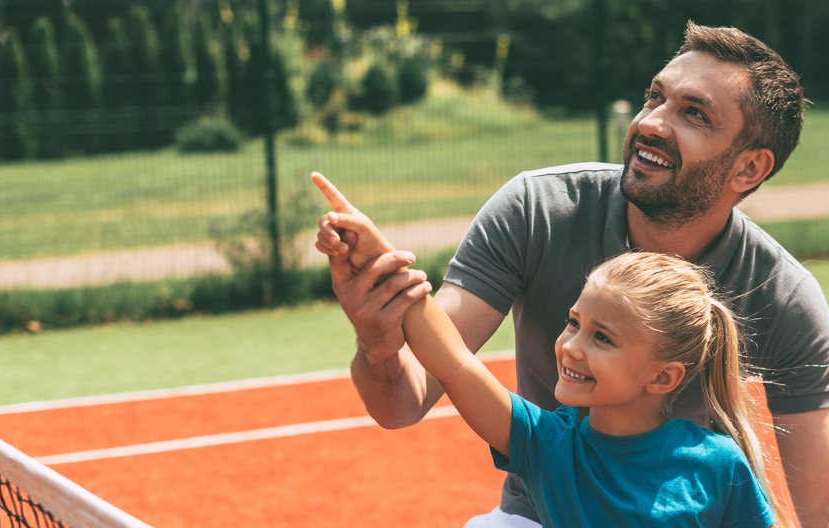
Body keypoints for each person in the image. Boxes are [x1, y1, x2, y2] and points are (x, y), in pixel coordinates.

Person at [316, 22, 829, 528]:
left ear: (748, 168)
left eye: (692, 114)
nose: (652, 122)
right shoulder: (537, 210)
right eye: (655, 97)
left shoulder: (781, 299)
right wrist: (382, 337)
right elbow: (407, 398)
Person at [310, 204, 790, 526]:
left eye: (602, 337)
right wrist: (381, 261)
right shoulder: (548, 445)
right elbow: (455, 363)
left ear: (662, 377)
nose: (571, 346)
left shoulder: (718, 463)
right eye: (573, 323)